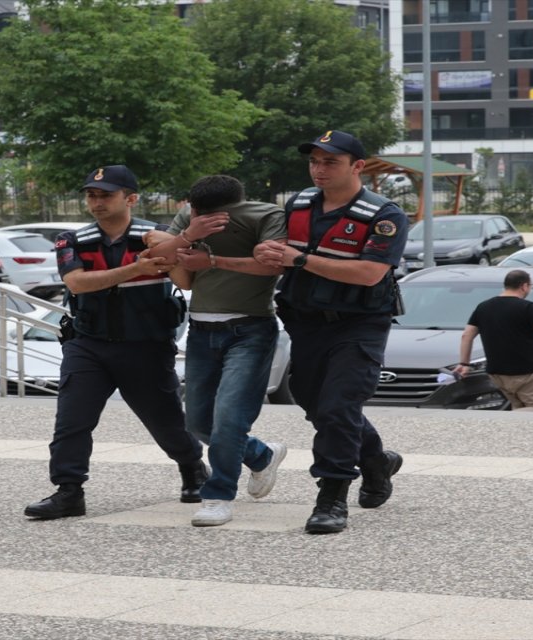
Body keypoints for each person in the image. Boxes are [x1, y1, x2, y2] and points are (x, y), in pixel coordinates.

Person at [24, 165, 208, 520]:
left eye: (106, 195)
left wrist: (174, 250)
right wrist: (136, 269)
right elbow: (77, 283)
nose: (96, 202)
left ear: (131, 198)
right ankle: (69, 491)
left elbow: (185, 282)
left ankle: (192, 469)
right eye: (91, 195)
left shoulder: (154, 237)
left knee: (165, 419)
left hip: (146, 344)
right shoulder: (72, 240)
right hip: (88, 344)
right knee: (72, 420)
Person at [253, 130, 407, 535]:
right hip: (305, 322)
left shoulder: (384, 215)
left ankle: (331, 496)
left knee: (339, 406)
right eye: (314, 162)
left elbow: (370, 272)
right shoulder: (300, 203)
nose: (319, 169)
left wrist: (300, 259)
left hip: (359, 325)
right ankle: (375, 460)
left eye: (330, 162)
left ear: (358, 166)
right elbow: (280, 252)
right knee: (315, 403)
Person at [143, 175, 289, 527]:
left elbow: (275, 264)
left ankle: (218, 495)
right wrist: (188, 235)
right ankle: (262, 454)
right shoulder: (190, 220)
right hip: (201, 329)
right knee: (199, 422)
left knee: (229, 417)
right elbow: (153, 257)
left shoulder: (267, 215)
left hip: (250, 327)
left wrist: (212, 261)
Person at [453, 269, 533, 411]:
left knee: (519, 406)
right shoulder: (527, 307)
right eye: (530, 286)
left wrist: (464, 363)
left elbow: (466, 335)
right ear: (524, 286)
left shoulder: (484, 307)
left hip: (497, 374)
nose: (529, 289)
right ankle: (500, 422)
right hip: (526, 373)